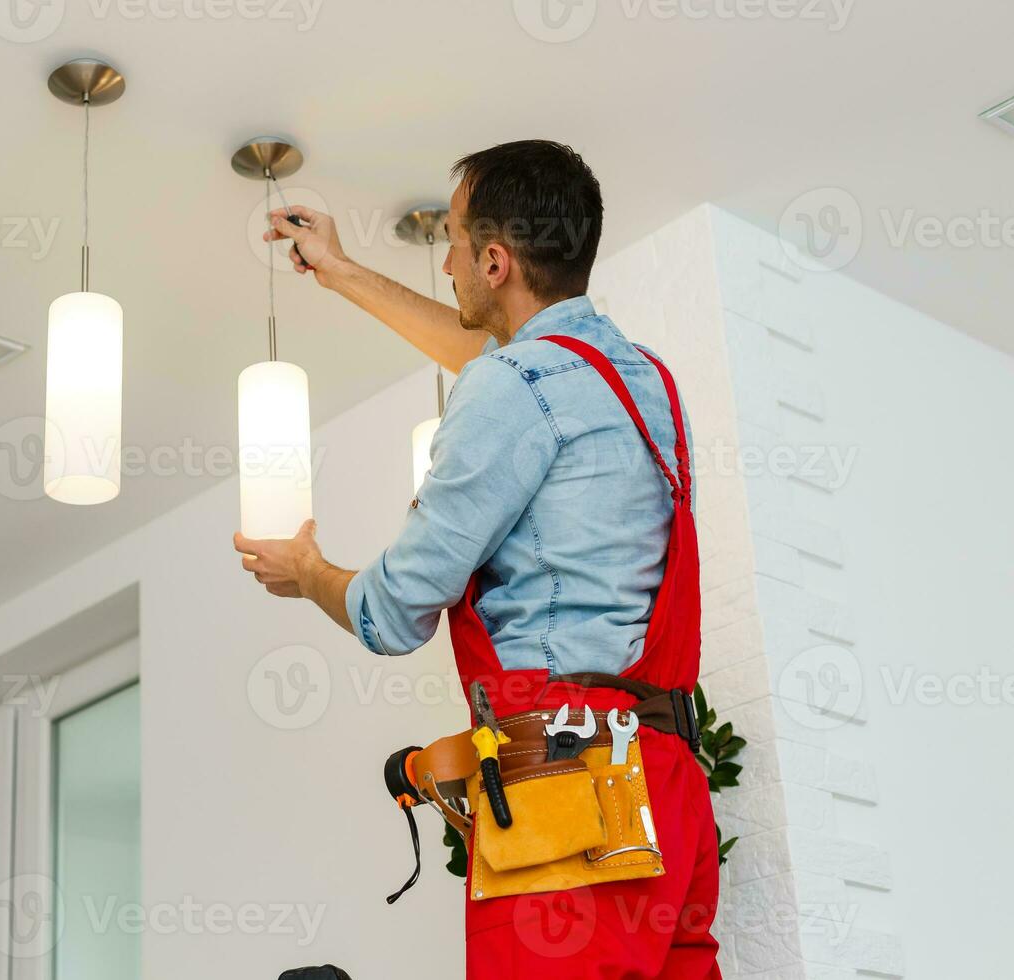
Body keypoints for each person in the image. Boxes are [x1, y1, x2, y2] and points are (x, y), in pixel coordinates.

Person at [234, 140, 721, 979]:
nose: (447, 259)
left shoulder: (513, 391)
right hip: (669, 788)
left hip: (567, 788)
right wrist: (343, 271)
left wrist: (307, 571)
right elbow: (509, 373)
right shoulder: (639, 379)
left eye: (456, 241)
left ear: (495, 262)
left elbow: (390, 615)